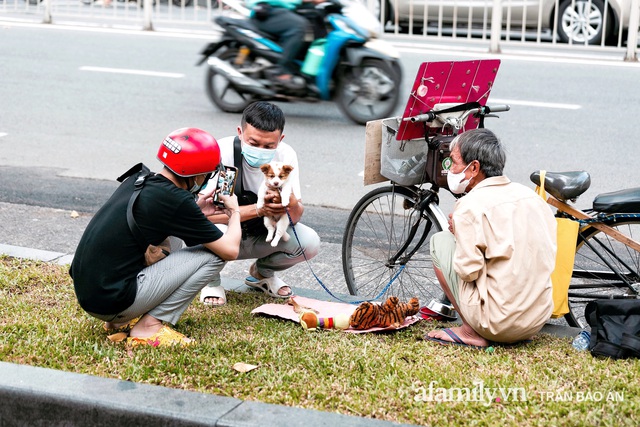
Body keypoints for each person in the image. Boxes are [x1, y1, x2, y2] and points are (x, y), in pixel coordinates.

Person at [70, 128, 242, 347]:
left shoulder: (140, 179)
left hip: (91, 294)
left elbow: (159, 216)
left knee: (176, 238)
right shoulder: (176, 200)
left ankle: (117, 323)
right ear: (198, 175)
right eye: (208, 174)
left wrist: (195, 210)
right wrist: (234, 212)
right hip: (112, 303)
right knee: (214, 256)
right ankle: (149, 326)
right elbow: (230, 250)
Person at [425, 128, 556, 348]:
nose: (451, 170)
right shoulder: (531, 197)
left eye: (454, 162)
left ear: (474, 167)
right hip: (536, 321)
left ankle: (470, 331)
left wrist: (459, 234)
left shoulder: (469, 206)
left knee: (440, 242)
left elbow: (468, 271)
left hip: (498, 325)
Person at [199, 101, 320, 306]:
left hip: (263, 235)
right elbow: (203, 216)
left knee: (309, 243)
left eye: (269, 146)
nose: (261, 150)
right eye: (253, 143)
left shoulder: (286, 156)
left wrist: (289, 204)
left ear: (280, 140)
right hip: (225, 234)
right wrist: (258, 209)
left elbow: (296, 217)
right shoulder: (222, 151)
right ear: (240, 132)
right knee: (205, 231)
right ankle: (211, 282)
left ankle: (262, 274)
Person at [245, 0, 323, 87]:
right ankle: (282, 71)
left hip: (283, 10)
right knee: (299, 25)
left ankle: (301, 69)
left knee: (315, 22)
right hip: (268, 11)